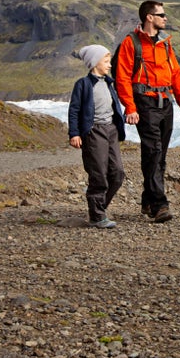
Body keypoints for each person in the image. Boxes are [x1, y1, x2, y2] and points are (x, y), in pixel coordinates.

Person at [115, 0, 180, 223]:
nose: (165, 18)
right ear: (149, 17)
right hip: (145, 103)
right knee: (153, 151)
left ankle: (148, 200)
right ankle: (159, 205)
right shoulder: (132, 43)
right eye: (161, 15)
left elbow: (175, 74)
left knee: (160, 155)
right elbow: (122, 77)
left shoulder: (165, 44)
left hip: (165, 103)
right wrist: (130, 107)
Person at [68, 45, 126, 229]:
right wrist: (75, 133)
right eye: (106, 61)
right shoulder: (83, 84)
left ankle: (98, 209)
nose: (109, 65)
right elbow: (74, 110)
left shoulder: (109, 82)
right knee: (98, 173)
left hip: (111, 130)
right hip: (94, 132)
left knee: (117, 173)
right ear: (95, 62)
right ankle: (97, 215)